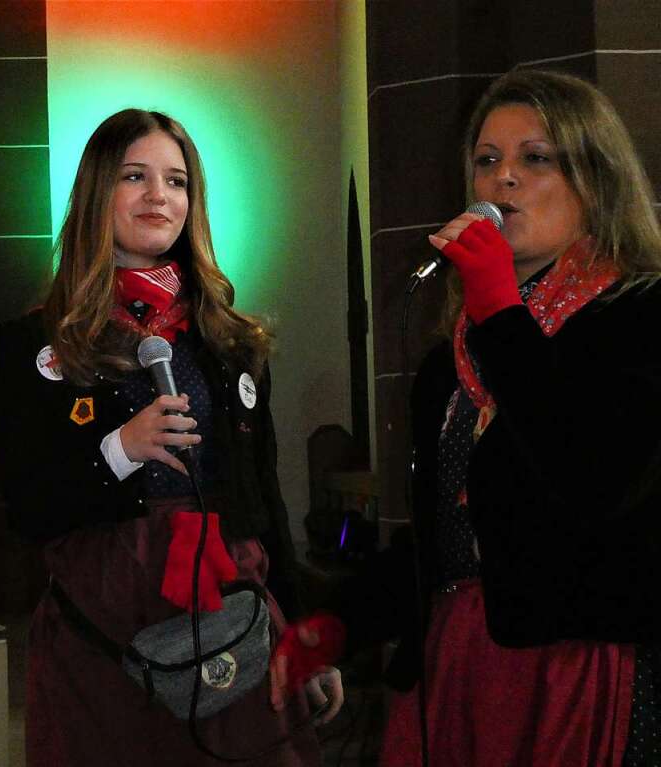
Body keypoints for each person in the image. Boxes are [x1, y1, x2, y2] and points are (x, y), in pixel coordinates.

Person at [275, 70, 661, 766]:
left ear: (595, 178)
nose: (503, 179)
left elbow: (594, 480)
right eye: (487, 160)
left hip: (576, 668)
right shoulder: (450, 363)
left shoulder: (639, 317)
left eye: (535, 158)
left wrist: (501, 312)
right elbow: (442, 545)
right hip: (458, 664)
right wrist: (340, 623)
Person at [0, 109, 343, 767]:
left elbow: (264, 499)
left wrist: (303, 640)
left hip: (227, 605)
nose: (159, 196)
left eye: (176, 181)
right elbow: (28, 509)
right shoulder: (33, 341)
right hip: (105, 616)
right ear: (100, 192)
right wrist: (119, 449)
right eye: (135, 176)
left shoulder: (230, 341)